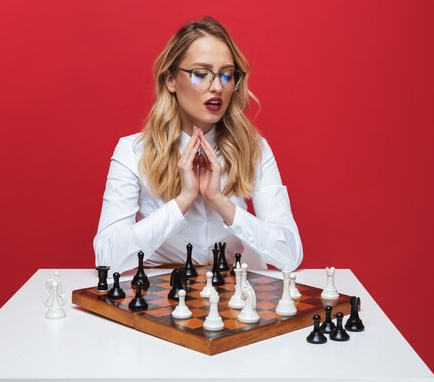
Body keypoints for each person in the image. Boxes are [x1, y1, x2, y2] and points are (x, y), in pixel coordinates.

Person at [93, 16, 303, 274]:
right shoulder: (133, 151)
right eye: (200, 74)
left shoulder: (255, 149)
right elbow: (106, 258)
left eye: (227, 75)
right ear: (171, 79)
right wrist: (183, 200)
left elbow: (290, 255)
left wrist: (218, 201)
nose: (217, 87)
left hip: (237, 297)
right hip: (163, 299)